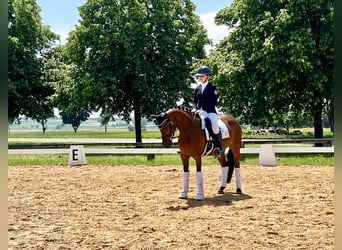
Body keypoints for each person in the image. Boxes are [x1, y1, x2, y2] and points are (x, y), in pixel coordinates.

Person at [193, 65, 222, 157]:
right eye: (199, 76)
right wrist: (196, 109)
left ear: (208, 76)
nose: (200, 78)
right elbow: (194, 102)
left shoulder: (212, 88)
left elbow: (214, 102)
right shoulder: (197, 88)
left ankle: (218, 147)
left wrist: (204, 111)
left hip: (210, 112)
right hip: (198, 112)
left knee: (214, 127)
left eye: (202, 76)